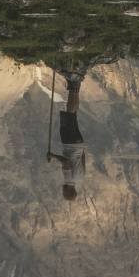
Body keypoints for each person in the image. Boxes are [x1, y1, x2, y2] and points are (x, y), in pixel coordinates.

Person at [47, 69, 88, 201]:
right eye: (64, 193)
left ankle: (75, 89)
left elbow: (82, 159)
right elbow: (66, 161)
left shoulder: (80, 179)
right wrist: (52, 156)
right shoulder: (68, 179)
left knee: (73, 115)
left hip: (78, 144)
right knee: (70, 114)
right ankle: (73, 85)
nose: (62, 190)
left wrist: (80, 147)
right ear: (67, 191)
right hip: (69, 143)